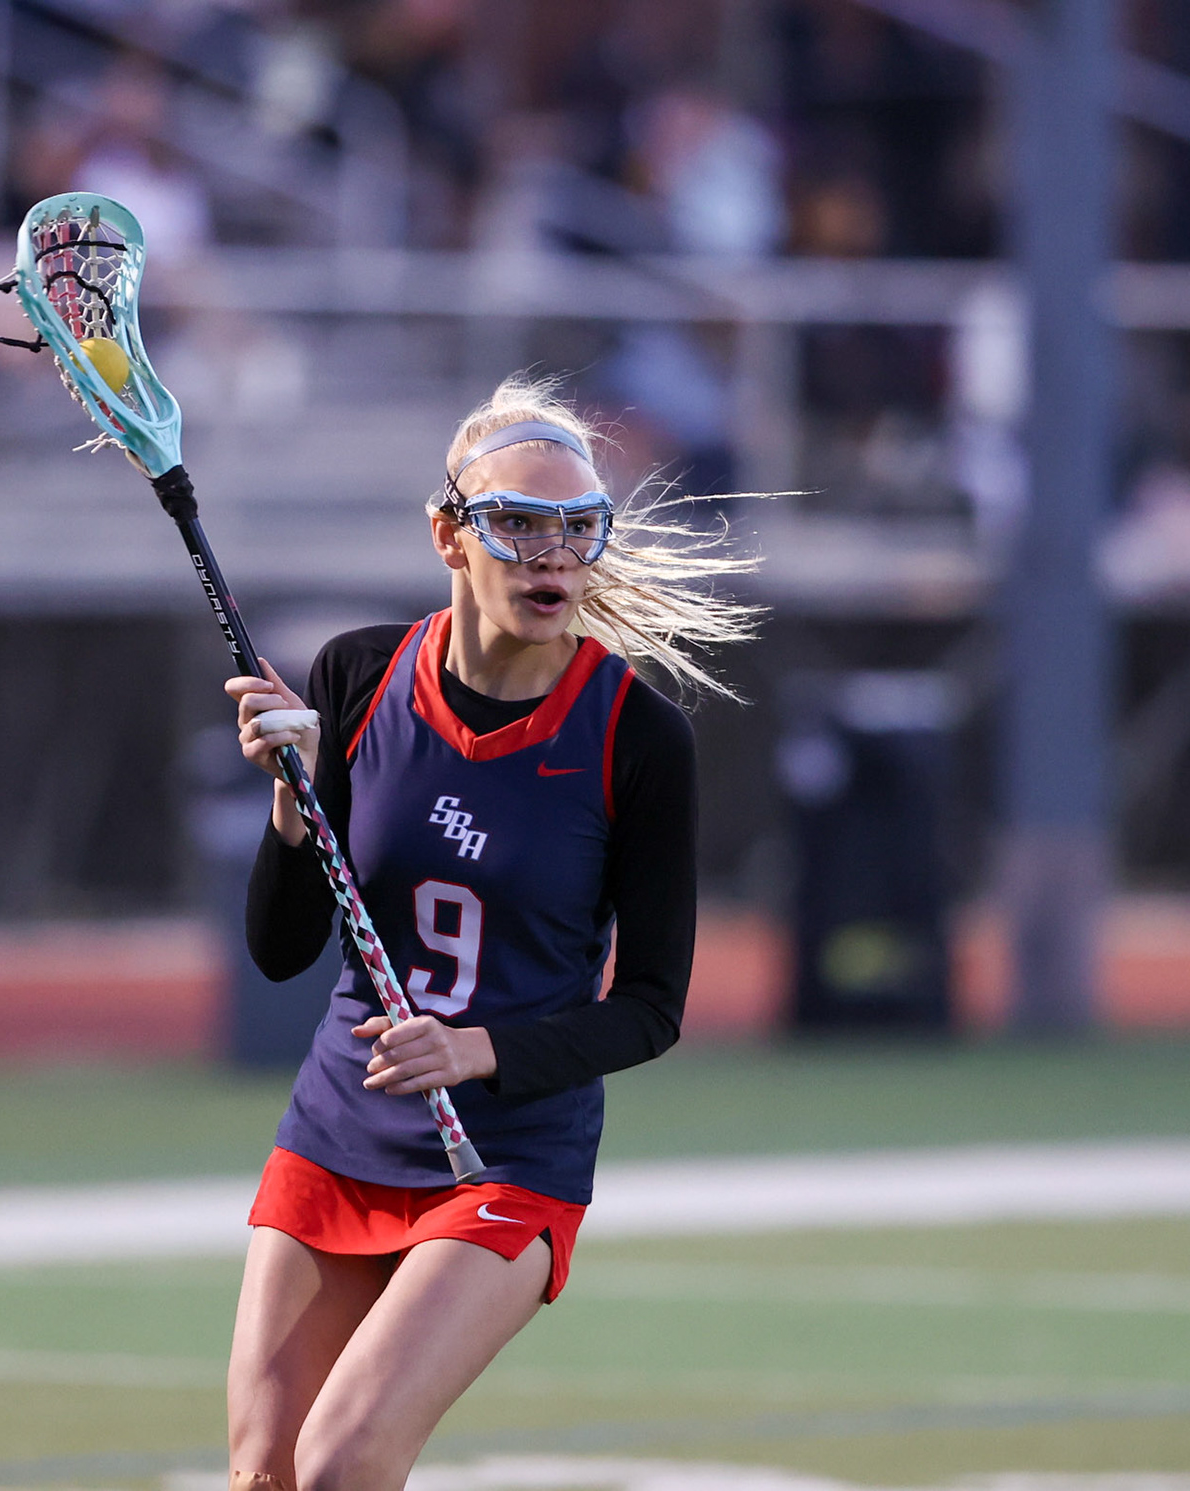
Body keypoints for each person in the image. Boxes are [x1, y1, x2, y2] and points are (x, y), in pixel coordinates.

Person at [221, 377, 758, 1491]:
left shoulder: (636, 737)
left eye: (576, 529)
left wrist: (483, 1051)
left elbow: (652, 1009)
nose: (550, 555)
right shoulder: (359, 675)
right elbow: (282, 948)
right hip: (340, 1127)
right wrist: (290, 809)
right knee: (267, 1475)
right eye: (516, 523)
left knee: (344, 1462)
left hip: (508, 1153)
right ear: (449, 534)